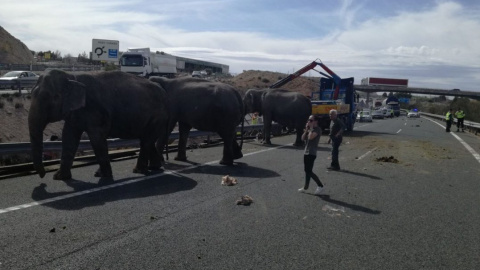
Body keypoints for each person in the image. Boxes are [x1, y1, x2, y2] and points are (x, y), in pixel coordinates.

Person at [298, 115, 324, 195]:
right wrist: (306, 130)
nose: (309, 121)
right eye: (308, 120)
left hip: (312, 153)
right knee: (307, 171)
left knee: (308, 171)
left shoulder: (317, 129)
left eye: (311, 120)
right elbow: (302, 138)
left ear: (316, 121)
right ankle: (306, 187)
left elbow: (310, 138)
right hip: (306, 152)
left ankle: (320, 186)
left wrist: (311, 128)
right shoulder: (310, 129)